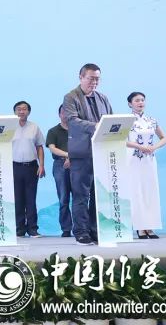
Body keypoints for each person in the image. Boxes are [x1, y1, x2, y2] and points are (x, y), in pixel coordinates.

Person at [62, 63, 112, 246]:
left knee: (98, 195)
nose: (94, 82)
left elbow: (110, 118)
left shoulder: (103, 98)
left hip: (101, 152)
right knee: (81, 196)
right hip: (82, 153)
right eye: (91, 78)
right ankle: (81, 232)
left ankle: (94, 230)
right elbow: (72, 121)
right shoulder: (71, 97)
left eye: (97, 79)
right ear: (81, 77)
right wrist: (95, 126)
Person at [125, 92, 166, 240]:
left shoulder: (152, 120)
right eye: (137, 100)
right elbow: (121, 140)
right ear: (130, 104)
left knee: (150, 191)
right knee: (136, 192)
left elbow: (164, 138)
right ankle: (140, 227)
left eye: (142, 100)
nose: (140, 102)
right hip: (133, 160)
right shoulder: (126, 120)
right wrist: (139, 146)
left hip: (149, 160)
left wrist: (154, 147)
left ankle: (150, 226)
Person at [11, 101, 45, 238]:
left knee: (31, 199)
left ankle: (32, 229)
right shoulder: (9, 127)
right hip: (14, 166)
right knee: (17, 199)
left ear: (29, 112)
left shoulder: (34, 127)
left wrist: (41, 165)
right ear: (14, 112)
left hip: (31, 167)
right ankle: (19, 229)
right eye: (18, 109)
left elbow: (39, 147)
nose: (21, 111)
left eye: (24, 109)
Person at [45, 106, 72, 237]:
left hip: (78, 164)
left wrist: (72, 158)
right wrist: (68, 155)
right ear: (59, 114)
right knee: (63, 198)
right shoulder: (53, 131)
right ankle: (66, 229)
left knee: (80, 198)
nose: (66, 115)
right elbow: (52, 148)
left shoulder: (78, 130)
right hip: (60, 165)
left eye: (68, 112)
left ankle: (82, 228)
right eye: (63, 112)